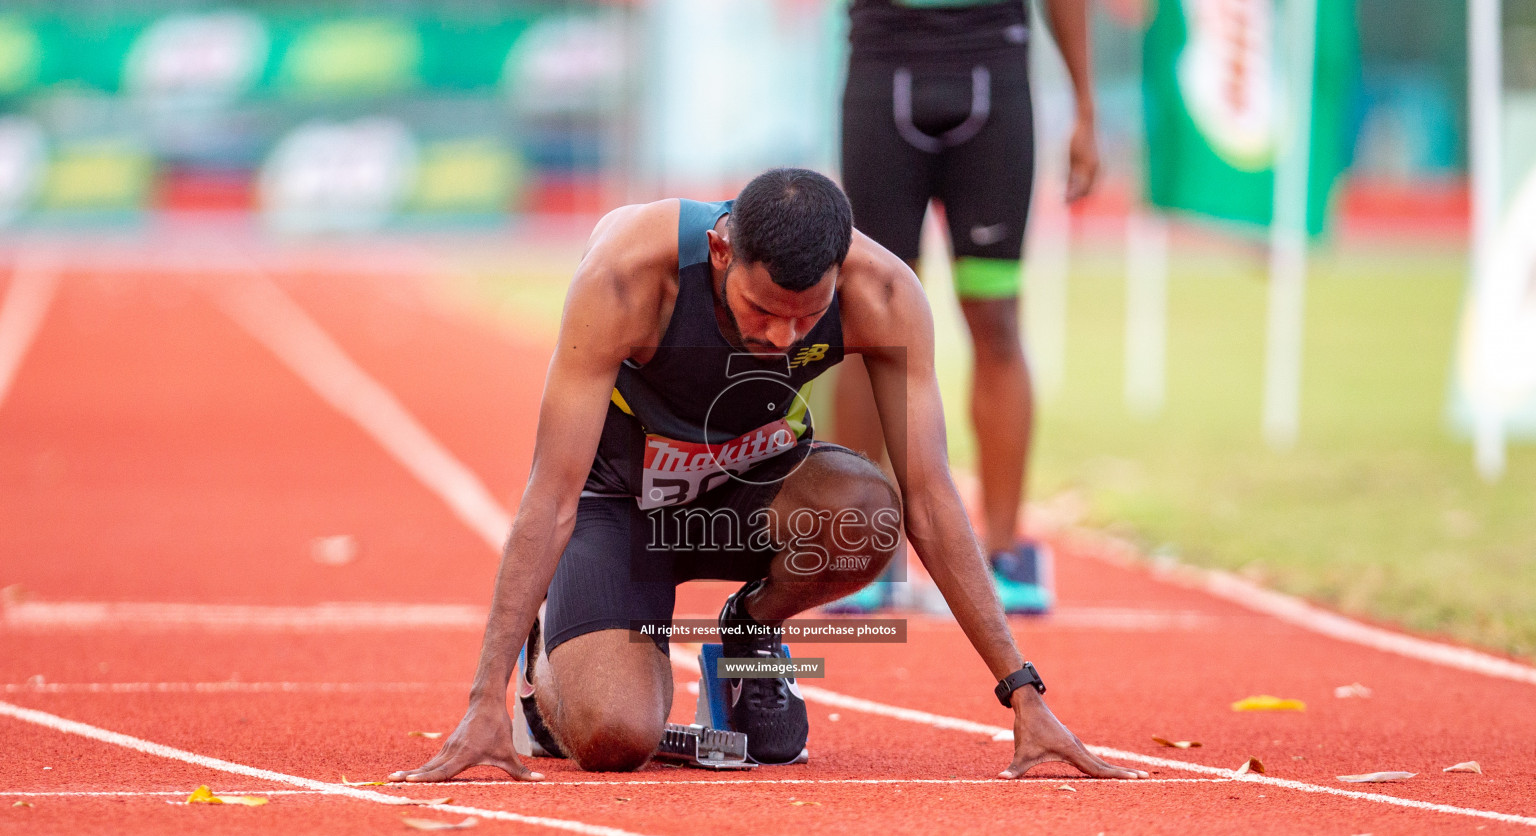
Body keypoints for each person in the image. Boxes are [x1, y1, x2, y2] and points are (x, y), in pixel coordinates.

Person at [390, 168, 1142, 782]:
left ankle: (752, 633)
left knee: (868, 512)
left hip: (753, 492)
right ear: (721, 251)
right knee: (616, 739)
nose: (779, 337)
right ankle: (542, 674)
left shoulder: (881, 294)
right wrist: (483, 697)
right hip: (619, 504)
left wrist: (1024, 694)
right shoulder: (626, 276)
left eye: (803, 318)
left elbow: (932, 499)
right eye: (761, 311)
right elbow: (550, 495)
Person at [833, 0, 1100, 614]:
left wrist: (1086, 108)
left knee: (997, 320)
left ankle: (1001, 554)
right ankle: (856, 552)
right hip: (883, 61)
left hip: (993, 68)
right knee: (865, 319)